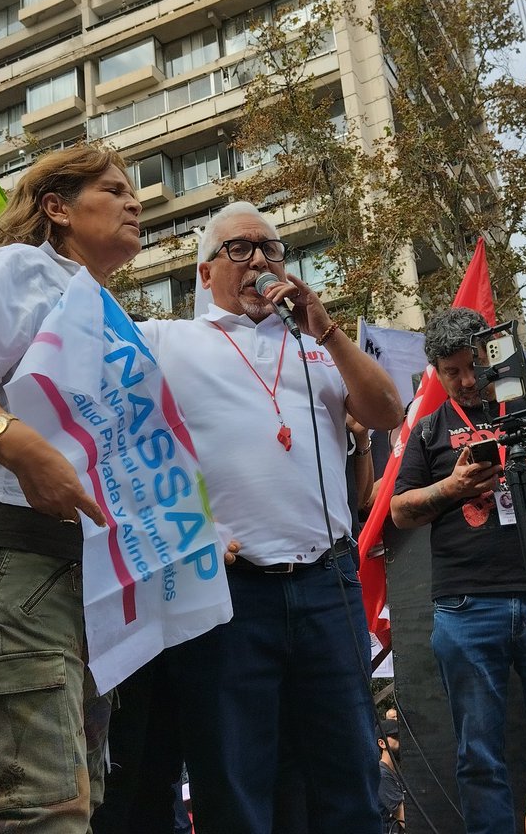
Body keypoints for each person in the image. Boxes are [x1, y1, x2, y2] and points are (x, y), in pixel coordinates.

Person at [138, 201, 401, 834]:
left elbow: (388, 411)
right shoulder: (166, 341)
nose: (259, 259)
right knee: (235, 776)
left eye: (271, 248)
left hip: (325, 583)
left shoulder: (316, 347)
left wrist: (329, 331)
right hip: (230, 589)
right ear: (204, 275)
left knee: (349, 768)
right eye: (239, 248)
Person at [0, 145, 144, 833]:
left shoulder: (106, 309)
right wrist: (24, 452)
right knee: (41, 804)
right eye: (113, 189)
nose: (136, 202)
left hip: (82, 566)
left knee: (75, 799)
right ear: (57, 208)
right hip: (7, 543)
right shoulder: (18, 270)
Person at [389, 307, 526, 834]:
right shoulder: (427, 430)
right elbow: (399, 510)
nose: (465, 381)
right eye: (451, 372)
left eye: (472, 364)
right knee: (478, 754)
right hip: (465, 604)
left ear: (492, 354)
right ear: (435, 373)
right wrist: (453, 487)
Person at [377, 720, 406, 833]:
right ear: (382, 743)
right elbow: (404, 818)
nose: (401, 740)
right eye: (396, 737)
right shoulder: (382, 774)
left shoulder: (398, 772)